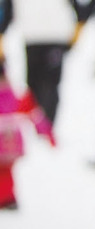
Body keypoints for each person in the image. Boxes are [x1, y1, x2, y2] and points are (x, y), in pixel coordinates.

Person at [0, 0, 87, 123]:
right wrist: (75, 36)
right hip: (56, 39)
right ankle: (48, 127)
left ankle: (37, 127)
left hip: (31, 40)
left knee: (34, 85)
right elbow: (79, 9)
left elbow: (5, 12)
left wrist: (1, 41)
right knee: (52, 85)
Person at [0, 48, 55, 210]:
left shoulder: (16, 95)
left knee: (4, 173)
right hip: (11, 144)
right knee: (6, 173)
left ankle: (7, 198)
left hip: (6, 142)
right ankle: (8, 198)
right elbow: (35, 115)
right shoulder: (16, 94)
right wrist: (48, 134)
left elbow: (34, 114)